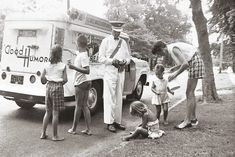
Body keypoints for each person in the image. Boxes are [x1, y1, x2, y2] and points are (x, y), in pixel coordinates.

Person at [152, 41, 204, 129]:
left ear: (161, 49)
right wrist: (174, 68)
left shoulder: (173, 49)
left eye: (159, 53)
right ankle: (193, 119)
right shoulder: (172, 48)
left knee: (189, 93)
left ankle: (187, 121)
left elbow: (185, 64)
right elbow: (184, 63)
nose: (161, 56)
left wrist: (175, 74)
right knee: (190, 93)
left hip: (195, 63)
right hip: (194, 62)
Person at [98, 21, 131, 132]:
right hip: (110, 72)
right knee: (109, 98)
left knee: (118, 97)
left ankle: (117, 121)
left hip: (120, 71)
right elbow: (100, 58)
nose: (117, 34)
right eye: (116, 32)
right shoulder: (105, 41)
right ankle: (109, 122)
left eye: (119, 32)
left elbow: (128, 58)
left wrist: (124, 62)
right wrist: (112, 61)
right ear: (111, 30)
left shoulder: (123, 43)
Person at [40, 44, 68, 141]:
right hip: (58, 87)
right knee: (55, 113)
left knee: (48, 112)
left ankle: (43, 133)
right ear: (60, 54)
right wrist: (59, 83)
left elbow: (42, 78)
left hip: (49, 87)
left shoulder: (47, 65)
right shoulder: (63, 66)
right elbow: (65, 79)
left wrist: (46, 81)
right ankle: (55, 136)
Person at [67, 35, 92, 135]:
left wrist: (73, 67)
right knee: (85, 106)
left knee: (78, 106)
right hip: (87, 82)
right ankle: (88, 129)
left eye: (76, 43)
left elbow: (87, 70)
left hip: (81, 82)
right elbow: (75, 52)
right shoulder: (83, 53)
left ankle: (73, 129)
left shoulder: (83, 56)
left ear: (78, 44)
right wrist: (66, 49)